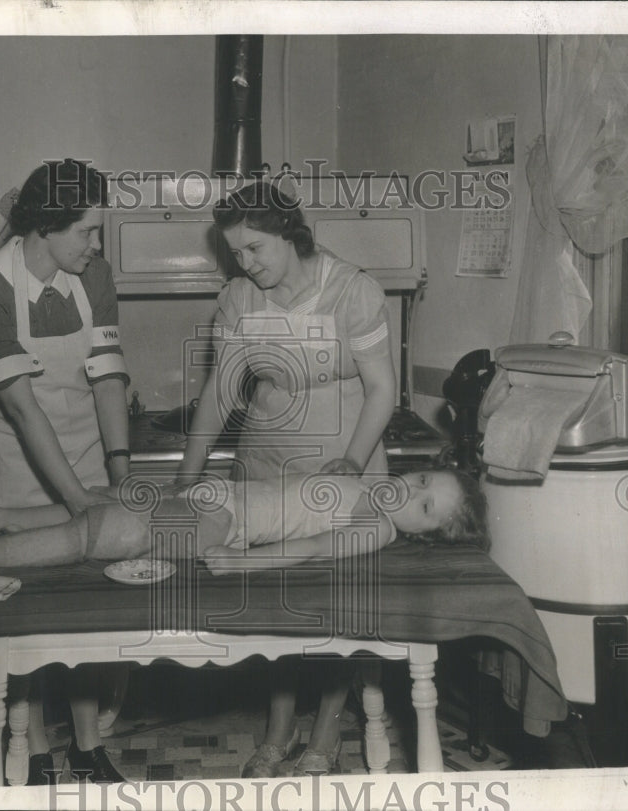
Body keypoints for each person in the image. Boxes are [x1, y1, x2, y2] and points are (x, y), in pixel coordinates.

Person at [174, 180, 399, 777]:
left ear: (288, 234)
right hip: (266, 459)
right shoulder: (239, 300)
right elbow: (220, 395)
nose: (245, 263)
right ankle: (279, 725)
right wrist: (186, 481)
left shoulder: (353, 290)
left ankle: (326, 729)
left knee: (334, 597)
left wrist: (352, 461)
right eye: (236, 253)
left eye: (254, 249)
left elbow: (383, 391)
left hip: (343, 458)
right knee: (271, 597)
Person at [0, 158, 130, 785]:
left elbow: (109, 378)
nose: (95, 244)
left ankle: (87, 745)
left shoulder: (96, 275)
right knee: (23, 614)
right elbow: (24, 413)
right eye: (85, 231)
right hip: (17, 467)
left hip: (86, 453)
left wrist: (117, 471)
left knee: (85, 609)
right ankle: (28, 749)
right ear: (44, 228)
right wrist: (79, 504)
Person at [0, 468, 489, 572]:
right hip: (227, 496)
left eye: (423, 506)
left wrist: (244, 563)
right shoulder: (372, 488)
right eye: (421, 481)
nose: (408, 493)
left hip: (227, 527)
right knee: (112, 496)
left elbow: (313, 548)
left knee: (108, 531)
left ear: (425, 533)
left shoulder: (375, 528)